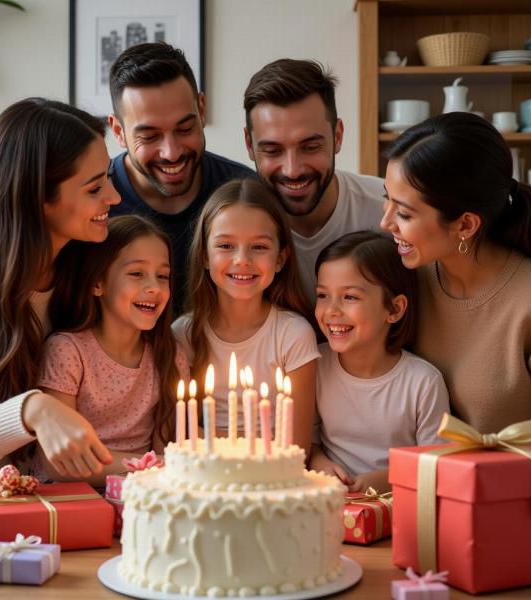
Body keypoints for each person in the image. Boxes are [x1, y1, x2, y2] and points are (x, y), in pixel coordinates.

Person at [0, 98, 121, 489]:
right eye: (94, 187)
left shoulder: (83, 271)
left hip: (42, 511)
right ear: (39, 197)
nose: (114, 197)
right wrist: (31, 410)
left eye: (107, 177)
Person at [381, 112, 531, 434]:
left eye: (404, 213)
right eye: (387, 201)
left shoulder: (527, 301)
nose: (386, 223)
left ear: (465, 224)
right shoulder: (404, 281)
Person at [36, 216, 188, 484]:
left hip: (141, 494)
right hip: (72, 500)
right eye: (137, 274)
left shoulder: (170, 353)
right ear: (97, 283)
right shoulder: (67, 351)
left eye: (162, 276)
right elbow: (56, 465)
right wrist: (155, 467)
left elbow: (165, 448)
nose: (154, 287)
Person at [172, 178, 319, 456]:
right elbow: (177, 431)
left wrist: (219, 438)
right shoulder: (184, 333)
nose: (242, 260)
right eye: (226, 246)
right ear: (204, 255)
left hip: (274, 480)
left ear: (281, 258)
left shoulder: (293, 335)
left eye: (259, 247)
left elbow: (298, 447)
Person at [108, 42, 254, 313]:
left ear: (202, 108)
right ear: (118, 131)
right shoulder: (95, 203)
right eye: (149, 136)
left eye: (185, 128)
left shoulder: (246, 192)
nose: (171, 152)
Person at [310, 231, 449, 493]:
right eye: (322, 295)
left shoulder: (423, 381)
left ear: (394, 309)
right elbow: (309, 442)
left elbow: (438, 465)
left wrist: (383, 480)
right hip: (330, 505)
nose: (331, 311)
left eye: (349, 297)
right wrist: (321, 464)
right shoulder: (315, 365)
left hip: (400, 508)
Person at [243, 58, 385, 303]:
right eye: (273, 151)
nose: (292, 170)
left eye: (310, 147)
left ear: (337, 136)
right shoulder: (233, 227)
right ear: (249, 145)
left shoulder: (389, 210)